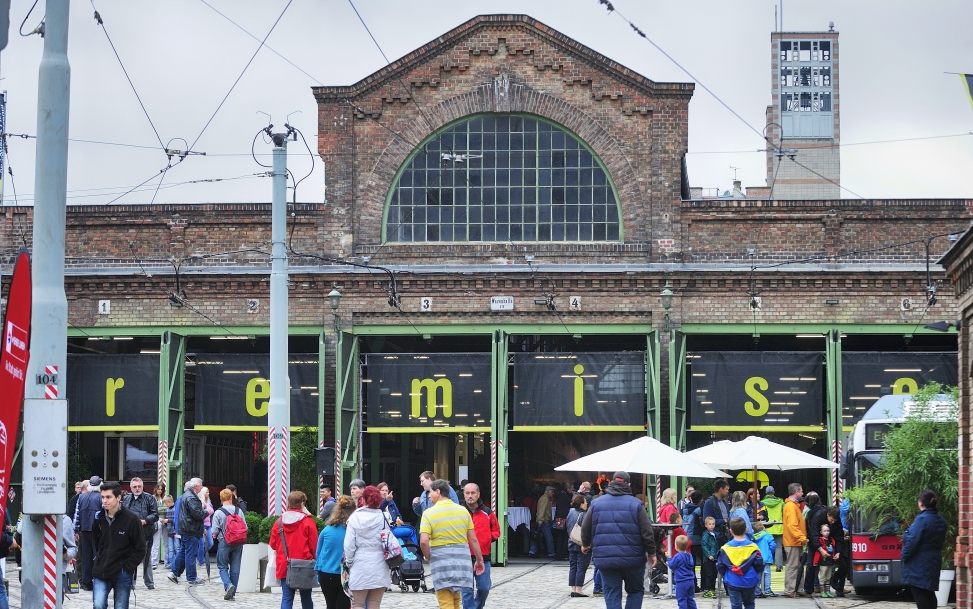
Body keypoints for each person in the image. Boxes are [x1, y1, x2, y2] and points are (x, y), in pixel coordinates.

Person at [580, 471, 657, 609]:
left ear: (612, 482)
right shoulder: (637, 505)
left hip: (605, 557)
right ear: (629, 484)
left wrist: (586, 544)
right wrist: (652, 553)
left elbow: (585, 528)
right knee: (635, 591)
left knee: (611, 592)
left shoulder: (596, 504)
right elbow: (647, 532)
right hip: (633, 558)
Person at [419, 479, 485, 609]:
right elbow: (473, 539)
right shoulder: (463, 511)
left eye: (430, 492)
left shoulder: (428, 513)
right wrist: (479, 560)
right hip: (462, 562)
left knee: (445, 602)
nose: (428, 495)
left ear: (438, 492)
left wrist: (428, 556)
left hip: (441, 561)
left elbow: (424, 541)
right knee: (456, 600)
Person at [92, 481, 147, 609]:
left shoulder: (131, 519)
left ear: (118, 497)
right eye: (103, 497)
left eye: (108, 497)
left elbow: (140, 547)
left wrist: (127, 567)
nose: (104, 501)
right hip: (102, 570)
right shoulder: (98, 518)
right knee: (98, 605)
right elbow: (96, 541)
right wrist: (99, 559)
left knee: (121, 606)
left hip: (122, 571)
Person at [345, 486, 391, 609]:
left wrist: (349, 562)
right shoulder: (384, 517)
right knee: (375, 604)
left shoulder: (354, 518)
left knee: (358, 604)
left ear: (363, 500)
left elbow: (349, 545)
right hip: (379, 562)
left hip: (360, 562)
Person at [271, 490, 319, 609]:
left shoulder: (279, 522)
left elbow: (273, 544)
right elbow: (314, 545)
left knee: (287, 598)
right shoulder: (308, 521)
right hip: (305, 563)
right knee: (306, 598)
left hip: (285, 564)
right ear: (302, 503)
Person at [901, 489, 947, 609]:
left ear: (921, 503)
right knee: (929, 593)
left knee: (920, 594)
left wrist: (904, 556)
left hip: (919, 563)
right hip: (934, 560)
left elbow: (912, 541)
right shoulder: (940, 519)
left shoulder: (922, 519)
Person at [463, 482, 500, 609]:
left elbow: (496, 530)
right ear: (463, 494)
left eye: (473, 493)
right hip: (464, 556)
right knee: (466, 590)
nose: (470, 496)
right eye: (467, 493)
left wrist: (488, 539)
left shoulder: (488, 512)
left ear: (478, 494)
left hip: (483, 556)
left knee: (484, 588)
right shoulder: (460, 512)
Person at [316, 495, 355, 609]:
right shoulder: (352, 530)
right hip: (346, 574)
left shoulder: (327, 530)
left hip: (326, 573)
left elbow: (319, 553)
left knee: (330, 605)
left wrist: (318, 574)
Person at [168, 477, 208, 585]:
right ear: (195, 486)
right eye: (201, 485)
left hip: (186, 529)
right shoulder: (191, 497)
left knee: (182, 552)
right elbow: (197, 514)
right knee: (191, 554)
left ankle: (174, 572)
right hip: (191, 529)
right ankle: (191, 578)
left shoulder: (186, 495)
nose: (202, 487)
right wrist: (206, 512)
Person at [716, 517, 763, 609]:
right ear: (745, 530)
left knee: (736, 605)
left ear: (731, 531)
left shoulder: (725, 549)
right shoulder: (753, 547)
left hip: (733, 580)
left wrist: (726, 574)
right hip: (750, 580)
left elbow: (720, 566)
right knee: (749, 604)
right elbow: (759, 563)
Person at [121, 476, 159, 590]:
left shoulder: (149, 498)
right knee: (130, 558)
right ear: (131, 488)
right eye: (135, 487)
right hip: (130, 533)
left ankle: (149, 582)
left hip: (145, 532)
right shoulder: (126, 498)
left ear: (143, 487)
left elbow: (155, 515)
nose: (137, 488)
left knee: (146, 558)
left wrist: (145, 520)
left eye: (139, 486)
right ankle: (131, 582)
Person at [212, 488, 247, 600]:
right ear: (231, 497)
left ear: (221, 499)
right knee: (235, 568)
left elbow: (214, 532)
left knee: (222, 566)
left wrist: (215, 536)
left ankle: (228, 585)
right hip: (238, 543)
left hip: (224, 541)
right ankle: (232, 594)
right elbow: (245, 527)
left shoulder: (218, 512)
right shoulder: (239, 511)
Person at [75, 475, 104, 591]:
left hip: (84, 530)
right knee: (98, 556)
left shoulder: (81, 497)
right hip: (97, 531)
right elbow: (103, 515)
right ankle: (99, 580)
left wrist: (75, 530)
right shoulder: (101, 498)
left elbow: (77, 516)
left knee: (85, 557)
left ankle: (86, 583)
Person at [782, 482, 807, 598]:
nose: (802, 493)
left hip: (795, 541)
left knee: (797, 566)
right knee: (793, 566)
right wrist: (802, 538)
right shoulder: (791, 506)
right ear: (796, 492)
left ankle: (798, 588)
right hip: (793, 541)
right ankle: (790, 590)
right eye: (801, 491)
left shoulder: (792, 505)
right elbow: (792, 525)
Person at [566, 494, 591, 597]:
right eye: (585, 502)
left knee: (573, 566)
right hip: (581, 544)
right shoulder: (584, 515)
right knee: (581, 567)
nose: (586, 504)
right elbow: (586, 531)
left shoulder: (570, 512)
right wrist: (586, 544)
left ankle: (573, 589)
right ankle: (579, 590)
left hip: (571, 541)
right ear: (581, 504)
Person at [802, 491, 827, 595]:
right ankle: (825, 587)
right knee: (827, 565)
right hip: (824, 540)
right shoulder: (824, 511)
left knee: (811, 565)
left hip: (812, 541)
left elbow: (807, 527)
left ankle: (808, 588)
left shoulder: (809, 513)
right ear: (819, 500)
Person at [681, 490, 703, 593]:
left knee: (691, 563)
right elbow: (701, 523)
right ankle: (703, 584)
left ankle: (693, 584)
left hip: (686, 536)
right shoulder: (698, 510)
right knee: (704, 561)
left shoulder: (685, 508)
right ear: (700, 500)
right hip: (696, 538)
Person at [826, 506, 849, 597]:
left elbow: (839, 538)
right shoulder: (823, 519)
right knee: (843, 566)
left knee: (844, 566)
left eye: (834, 520)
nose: (833, 522)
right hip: (827, 545)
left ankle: (839, 588)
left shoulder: (837, 523)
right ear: (828, 515)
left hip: (837, 546)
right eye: (831, 520)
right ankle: (835, 583)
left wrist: (838, 552)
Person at [668, 535, 696, 609]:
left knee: (681, 600)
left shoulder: (678, 556)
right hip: (690, 580)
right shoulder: (689, 555)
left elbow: (672, 566)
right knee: (690, 599)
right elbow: (692, 564)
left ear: (676, 547)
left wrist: (669, 559)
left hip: (681, 581)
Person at [761, 486, 785, 570]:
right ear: (774, 492)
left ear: (765, 493)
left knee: (766, 546)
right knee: (778, 546)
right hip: (778, 526)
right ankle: (779, 565)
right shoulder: (780, 502)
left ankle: (767, 564)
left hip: (767, 527)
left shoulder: (762, 503)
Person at [702, 479, 730, 547]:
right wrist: (723, 520)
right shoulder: (709, 502)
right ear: (721, 489)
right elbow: (706, 520)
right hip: (716, 536)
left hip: (726, 534)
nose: (728, 491)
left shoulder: (724, 501)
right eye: (726, 489)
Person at [529, 486, 555, 558]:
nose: (553, 493)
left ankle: (532, 551)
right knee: (549, 538)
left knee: (537, 536)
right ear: (547, 491)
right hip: (544, 521)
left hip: (542, 520)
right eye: (552, 491)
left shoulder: (544, 498)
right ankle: (551, 553)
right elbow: (542, 510)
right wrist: (540, 520)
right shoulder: (545, 499)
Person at [752, 521, 776, 597]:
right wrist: (770, 552)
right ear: (763, 527)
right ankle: (767, 590)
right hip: (766, 558)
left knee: (758, 575)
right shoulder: (768, 536)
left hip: (757, 558)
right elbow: (773, 546)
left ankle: (757, 590)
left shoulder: (753, 537)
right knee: (767, 574)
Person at [812, 523, 835, 597]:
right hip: (823, 562)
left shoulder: (831, 540)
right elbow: (817, 553)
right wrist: (815, 561)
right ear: (821, 532)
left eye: (828, 531)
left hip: (830, 562)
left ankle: (827, 591)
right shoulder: (820, 541)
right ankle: (822, 591)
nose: (827, 532)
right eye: (825, 531)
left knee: (828, 577)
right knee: (822, 577)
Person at [198, 486, 215, 577]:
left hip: (209, 525)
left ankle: (200, 555)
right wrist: (202, 528)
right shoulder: (201, 503)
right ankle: (201, 562)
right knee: (201, 544)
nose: (208, 494)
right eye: (206, 492)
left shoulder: (209, 503)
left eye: (208, 492)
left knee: (210, 543)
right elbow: (200, 515)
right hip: (203, 525)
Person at [700, 516, 718, 598]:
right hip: (708, 558)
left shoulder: (714, 534)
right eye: (710, 524)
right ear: (706, 525)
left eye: (713, 524)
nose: (712, 526)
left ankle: (712, 589)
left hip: (714, 557)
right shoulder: (706, 535)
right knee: (709, 574)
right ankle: (707, 589)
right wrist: (708, 555)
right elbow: (704, 545)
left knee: (714, 574)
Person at [151, 484, 167, 569]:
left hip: (166, 521)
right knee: (156, 542)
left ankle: (167, 562)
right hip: (157, 521)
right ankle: (154, 562)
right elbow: (155, 509)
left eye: (161, 489)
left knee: (166, 542)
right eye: (158, 489)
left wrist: (163, 509)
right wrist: (164, 509)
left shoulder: (165, 497)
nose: (160, 491)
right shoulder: (153, 498)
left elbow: (169, 507)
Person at [163, 495, 177, 569]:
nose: (166, 505)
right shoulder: (166, 510)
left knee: (177, 548)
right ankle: (171, 563)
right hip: (169, 532)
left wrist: (168, 521)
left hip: (175, 532)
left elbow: (176, 520)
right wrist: (164, 522)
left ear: (170, 502)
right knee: (170, 549)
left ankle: (178, 562)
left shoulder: (175, 509)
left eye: (166, 503)